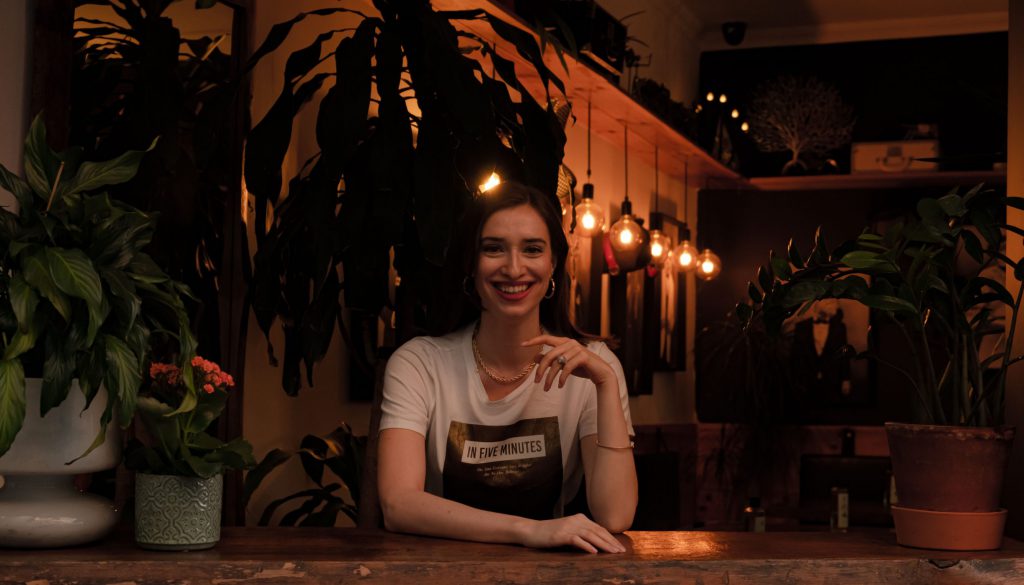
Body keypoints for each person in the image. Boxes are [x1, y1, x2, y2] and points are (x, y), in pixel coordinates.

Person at [377, 181, 637, 554]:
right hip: (438, 575)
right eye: (493, 249)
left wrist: (607, 384)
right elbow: (398, 505)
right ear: (471, 263)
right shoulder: (420, 364)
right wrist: (529, 531)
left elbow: (615, 516)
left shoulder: (593, 367)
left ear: (553, 264)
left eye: (532, 249)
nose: (514, 268)